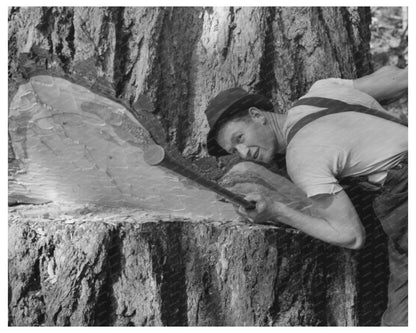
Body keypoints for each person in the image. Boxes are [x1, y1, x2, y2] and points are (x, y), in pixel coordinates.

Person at [204, 65, 408, 326]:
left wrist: (277, 211)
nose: (244, 152)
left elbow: (351, 236)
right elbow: (399, 78)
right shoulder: (322, 91)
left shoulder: (302, 158)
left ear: (257, 115)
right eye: (235, 149)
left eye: (240, 137)